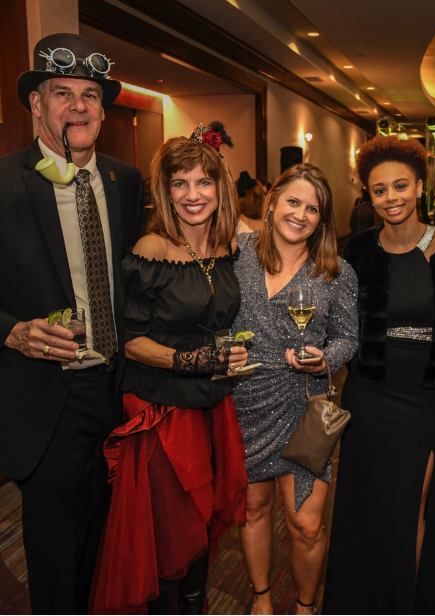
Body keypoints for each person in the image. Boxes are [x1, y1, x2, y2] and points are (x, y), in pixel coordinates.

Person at [0, 33, 143, 615]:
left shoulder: (124, 181)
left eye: (90, 95)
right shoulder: (4, 182)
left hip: (119, 391)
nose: (78, 107)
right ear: (35, 104)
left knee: (110, 544)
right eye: (62, 93)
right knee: (57, 553)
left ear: (104, 112)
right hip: (46, 395)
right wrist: (11, 330)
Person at [91, 131, 249, 615]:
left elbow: (290, 224)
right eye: (179, 184)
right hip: (162, 413)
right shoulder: (152, 248)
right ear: (165, 191)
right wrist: (194, 361)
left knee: (201, 533)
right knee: (165, 544)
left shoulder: (227, 247)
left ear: (221, 187)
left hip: (211, 406)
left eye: (203, 182)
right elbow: (130, 341)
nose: (192, 195)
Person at [323, 136, 435, 615]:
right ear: (368, 195)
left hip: (427, 399)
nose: (391, 198)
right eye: (379, 190)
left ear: (420, 186)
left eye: (400, 186)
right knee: (368, 509)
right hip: (370, 397)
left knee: (413, 506)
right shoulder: (359, 251)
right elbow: (339, 323)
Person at [231, 163, 358, 616]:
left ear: (322, 220)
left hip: (304, 406)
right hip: (244, 401)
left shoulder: (336, 272)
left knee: (305, 525)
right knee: (253, 510)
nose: (301, 214)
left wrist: (327, 358)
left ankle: (305, 608)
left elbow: (348, 338)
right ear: (271, 203)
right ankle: (261, 599)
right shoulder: (237, 252)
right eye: (293, 202)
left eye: (313, 209)